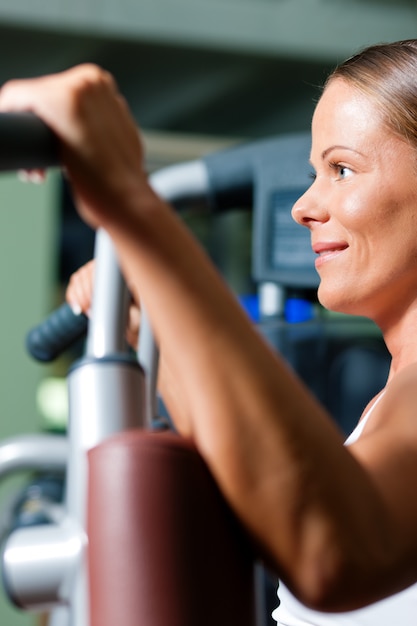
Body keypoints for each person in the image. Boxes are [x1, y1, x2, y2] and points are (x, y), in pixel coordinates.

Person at [2, 38, 417, 625]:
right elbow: (268, 493)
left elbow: (337, 551)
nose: (303, 205)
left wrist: (130, 201)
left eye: (342, 169)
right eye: (313, 172)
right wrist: (155, 320)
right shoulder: (391, 398)